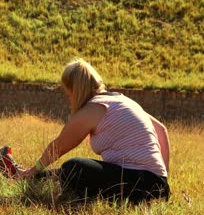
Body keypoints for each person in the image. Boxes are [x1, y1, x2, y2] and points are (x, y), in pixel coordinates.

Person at [16, 58, 170, 203]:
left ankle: (29, 176)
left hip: (140, 185)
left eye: (67, 93)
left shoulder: (94, 108)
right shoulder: (122, 100)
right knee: (72, 170)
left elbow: (58, 147)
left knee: (74, 167)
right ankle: (27, 178)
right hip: (158, 185)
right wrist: (164, 178)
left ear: (74, 90)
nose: (69, 98)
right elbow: (162, 131)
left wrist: (33, 169)